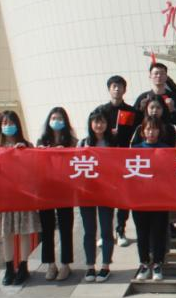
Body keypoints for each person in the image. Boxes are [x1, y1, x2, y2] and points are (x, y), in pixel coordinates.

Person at [0, 110, 40, 286]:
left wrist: (24, 152)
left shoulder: (27, 145)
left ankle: (23, 266)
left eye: (11, 123)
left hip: (23, 195)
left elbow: (34, 168)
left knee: (24, 231)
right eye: (5, 123)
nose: (8, 126)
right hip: (5, 196)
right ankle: (9, 268)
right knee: (6, 232)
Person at [92, 75, 136, 247]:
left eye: (120, 86)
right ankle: (106, 233)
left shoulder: (131, 111)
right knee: (105, 198)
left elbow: (137, 131)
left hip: (124, 160)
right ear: (109, 89)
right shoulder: (100, 110)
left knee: (123, 197)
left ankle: (120, 230)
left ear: (125, 90)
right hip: (105, 162)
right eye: (114, 86)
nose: (117, 89)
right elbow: (93, 130)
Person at [36, 106, 77, 281]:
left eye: (60, 118)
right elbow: (35, 162)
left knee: (66, 227)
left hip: (65, 188)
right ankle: (50, 265)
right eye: (53, 118)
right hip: (45, 188)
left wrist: (65, 152)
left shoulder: (72, 141)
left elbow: (77, 161)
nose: (56, 121)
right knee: (47, 228)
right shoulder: (42, 140)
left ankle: (65, 264)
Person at [77, 111, 115, 282]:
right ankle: (90, 266)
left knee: (106, 229)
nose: (99, 125)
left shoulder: (112, 142)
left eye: (102, 122)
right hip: (86, 192)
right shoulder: (83, 143)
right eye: (96, 122)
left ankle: (105, 266)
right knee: (89, 230)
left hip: (106, 191)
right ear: (90, 124)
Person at [131, 118, 170, 281]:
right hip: (140, 199)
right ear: (142, 131)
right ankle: (144, 263)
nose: (151, 132)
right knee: (142, 233)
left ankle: (158, 263)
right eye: (148, 129)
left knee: (158, 232)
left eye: (154, 129)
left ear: (159, 131)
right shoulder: (135, 149)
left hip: (160, 198)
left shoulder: (166, 150)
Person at [133, 62, 176, 129]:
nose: (159, 76)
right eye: (156, 73)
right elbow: (134, 122)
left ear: (166, 77)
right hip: (149, 133)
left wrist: (172, 109)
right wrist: (141, 109)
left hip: (168, 133)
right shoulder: (143, 97)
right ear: (150, 76)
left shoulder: (173, 97)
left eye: (162, 73)